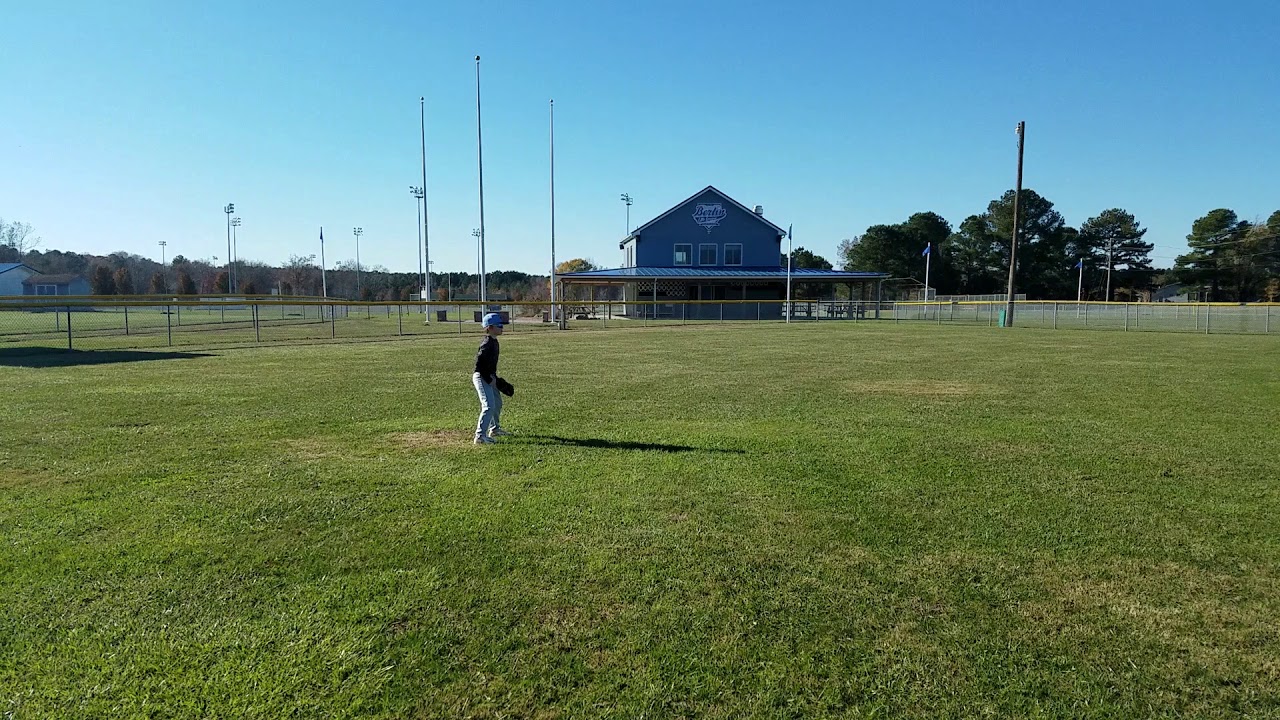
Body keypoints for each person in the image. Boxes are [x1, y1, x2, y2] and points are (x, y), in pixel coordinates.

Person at [472, 312, 512, 444]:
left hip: (489, 376)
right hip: (481, 377)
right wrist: (490, 379)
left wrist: (495, 378)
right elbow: (479, 364)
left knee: (497, 403)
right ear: (489, 327)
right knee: (488, 405)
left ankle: (494, 429)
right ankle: (480, 436)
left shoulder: (494, 341)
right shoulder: (487, 343)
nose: (502, 327)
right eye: (498, 325)